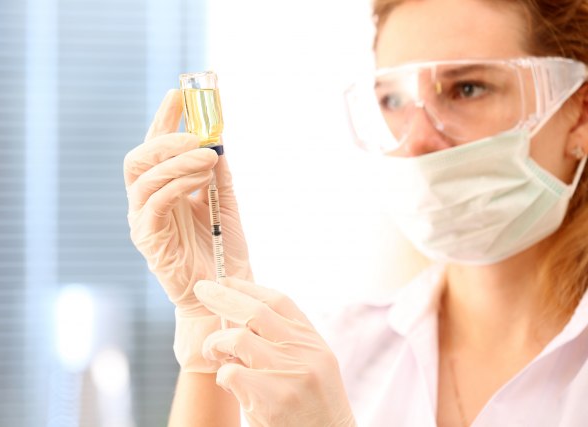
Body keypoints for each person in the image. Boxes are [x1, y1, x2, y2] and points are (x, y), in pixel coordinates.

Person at [123, 0, 588, 425]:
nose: (416, 139)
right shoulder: (345, 349)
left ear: (580, 114)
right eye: (393, 100)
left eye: (467, 88)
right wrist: (209, 331)